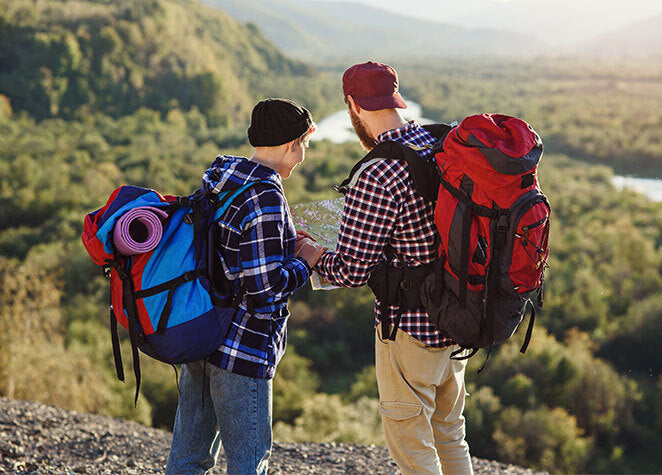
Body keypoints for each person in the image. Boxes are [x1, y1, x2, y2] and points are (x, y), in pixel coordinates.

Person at [297, 62, 474, 474]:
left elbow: (351, 271)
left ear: (352, 106)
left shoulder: (378, 172)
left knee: (412, 450)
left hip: (410, 329)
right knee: (450, 433)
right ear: (396, 98)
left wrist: (310, 253)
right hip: (461, 315)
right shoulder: (440, 143)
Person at [166, 98, 326, 475]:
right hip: (242, 350)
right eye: (304, 144)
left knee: (189, 456)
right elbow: (264, 289)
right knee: (248, 463)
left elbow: (231, 253)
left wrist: (285, 243)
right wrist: (305, 261)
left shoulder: (224, 177)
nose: (303, 154)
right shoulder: (266, 195)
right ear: (291, 144)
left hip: (202, 336)